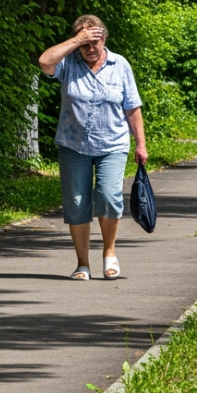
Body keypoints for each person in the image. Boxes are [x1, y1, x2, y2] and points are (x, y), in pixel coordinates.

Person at [38, 15, 147, 280]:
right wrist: (76, 41)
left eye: (94, 42)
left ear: (104, 39)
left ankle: (109, 252)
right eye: (84, 43)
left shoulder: (119, 64)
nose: (89, 48)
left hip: (112, 144)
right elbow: (44, 62)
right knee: (76, 204)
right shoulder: (68, 63)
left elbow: (132, 106)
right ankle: (82, 264)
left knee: (109, 197)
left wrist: (141, 144)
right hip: (73, 145)